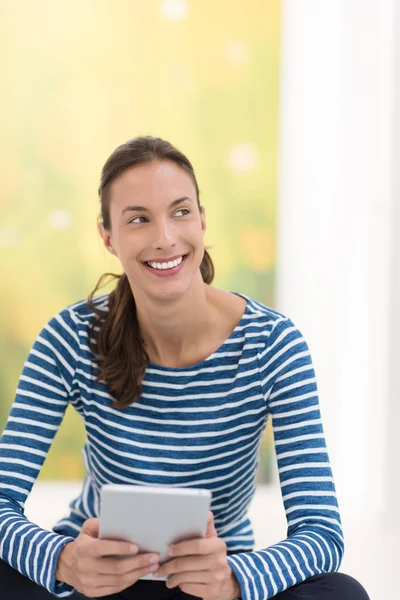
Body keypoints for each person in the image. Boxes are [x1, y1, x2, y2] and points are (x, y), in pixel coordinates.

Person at [0, 136, 370, 600]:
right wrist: (62, 559)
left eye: (180, 212)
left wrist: (235, 579)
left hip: (211, 585)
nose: (164, 238)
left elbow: (321, 534)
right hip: (95, 584)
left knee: (341, 593)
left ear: (201, 219)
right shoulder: (71, 338)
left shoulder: (273, 345)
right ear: (108, 238)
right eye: (139, 219)